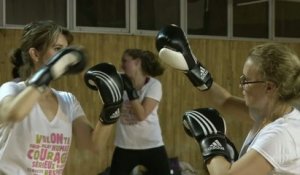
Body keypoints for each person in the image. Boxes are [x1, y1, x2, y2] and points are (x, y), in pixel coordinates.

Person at [156, 24, 300, 175]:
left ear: (269, 87)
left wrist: (210, 138)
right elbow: (224, 101)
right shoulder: (270, 114)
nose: (241, 85)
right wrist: (192, 67)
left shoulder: (280, 135)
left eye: (246, 80)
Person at [0, 20, 123, 175]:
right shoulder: (12, 89)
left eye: (66, 51)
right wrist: (48, 72)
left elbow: (92, 144)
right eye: (58, 49)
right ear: (35, 54)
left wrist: (112, 108)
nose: (66, 57)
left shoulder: (68, 101)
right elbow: (13, 113)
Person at [109, 49, 171, 175]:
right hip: (125, 146)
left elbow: (141, 115)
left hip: (152, 145)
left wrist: (130, 90)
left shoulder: (154, 85)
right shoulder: (119, 82)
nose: (121, 65)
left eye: (125, 61)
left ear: (137, 62)